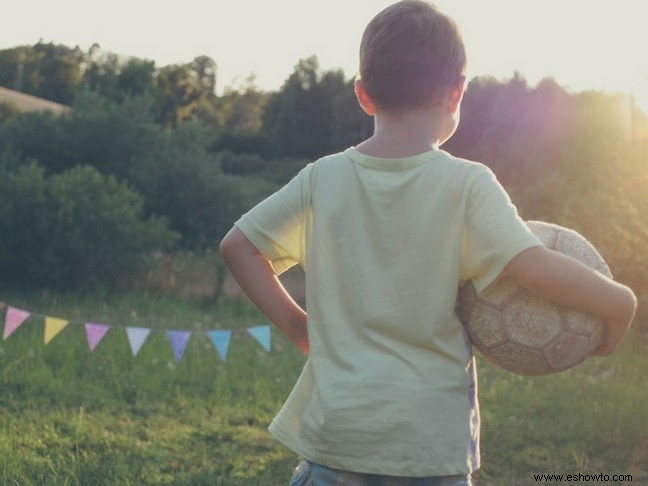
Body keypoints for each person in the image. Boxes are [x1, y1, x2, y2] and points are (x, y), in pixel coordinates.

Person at [219, 1, 637, 484]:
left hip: (335, 442)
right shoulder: (467, 184)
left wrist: (297, 325)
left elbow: (239, 246)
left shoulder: (322, 179)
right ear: (457, 90)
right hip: (427, 450)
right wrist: (619, 302)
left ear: (363, 94)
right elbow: (532, 266)